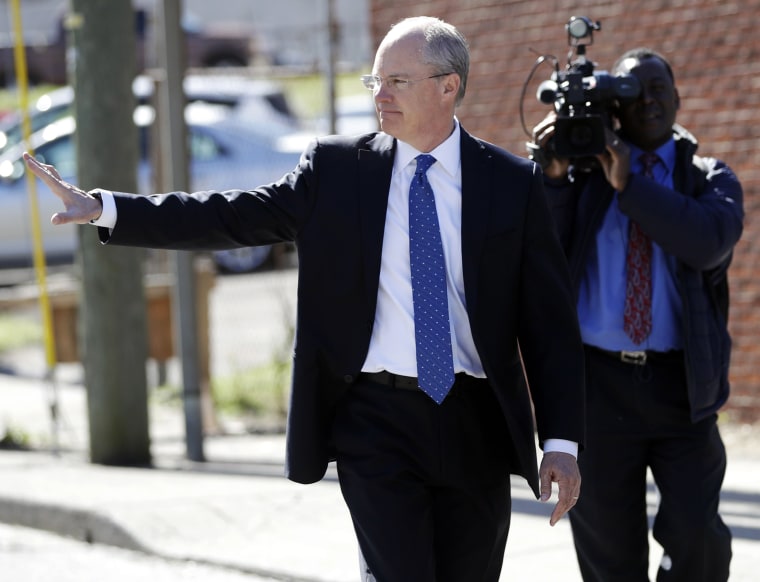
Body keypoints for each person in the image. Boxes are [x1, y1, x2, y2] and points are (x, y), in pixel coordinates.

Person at [27, 16, 585, 582]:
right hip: (377, 420)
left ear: (448, 86)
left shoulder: (511, 184)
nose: (380, 95)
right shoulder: (338, 170)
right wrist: (108, 208)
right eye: (375, 82)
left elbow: (549, 325)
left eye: (397, 81)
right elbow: (231, 215)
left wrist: (561, 442)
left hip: (477, 423)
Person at [529, 47, 743, 581]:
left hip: (682, 390)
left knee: (700, 540)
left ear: (677, 98)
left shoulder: (707, 178)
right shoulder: (581, 182)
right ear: (613, 109)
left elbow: (708, 243)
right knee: (609, 555)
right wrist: (552, 179)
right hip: (597, 389)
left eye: (658, 90)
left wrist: (632, 185)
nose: (648, 100)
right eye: (631, 92)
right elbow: (539, 258)